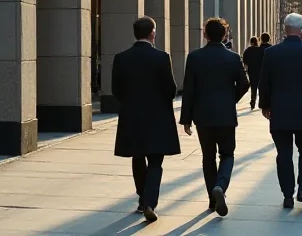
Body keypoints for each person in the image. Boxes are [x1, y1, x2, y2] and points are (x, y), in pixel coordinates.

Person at [112, 17, 181, 223]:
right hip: (157, 116)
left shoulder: (121, 58)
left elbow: (116, 89)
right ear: (152, 33)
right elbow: (171, 89)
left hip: (132, 115)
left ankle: (142, 199)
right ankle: (150, 201)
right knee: (155, 161)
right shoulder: (161, 57)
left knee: (137, 156)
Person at [180, 18, 250, 217]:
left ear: (205, 34)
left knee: (208, 157)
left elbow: (189, 90)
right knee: (227, 154)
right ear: (225, 35)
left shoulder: (194, 58)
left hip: (203, 116)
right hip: (226, 115)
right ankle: (221, 186)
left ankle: (212, 198)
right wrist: (231, 99)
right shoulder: (233, 58)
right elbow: (245, 84)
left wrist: (186, 118)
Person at [259, 13, 302, 208]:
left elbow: (264, 83)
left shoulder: (271, 53)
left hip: (280, 112)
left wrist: (265, 105)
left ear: (285, 29)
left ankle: (287, 195)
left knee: (284, 153)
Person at [242, 36, 264, 110]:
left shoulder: (247, 51)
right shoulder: (261, 50)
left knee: (253, 87)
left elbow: (245, 62)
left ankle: (252, 102)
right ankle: (261, 102)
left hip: (251, 71)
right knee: (260, 87)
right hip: (260, 71)